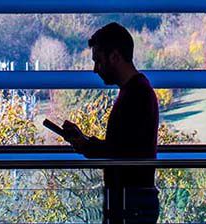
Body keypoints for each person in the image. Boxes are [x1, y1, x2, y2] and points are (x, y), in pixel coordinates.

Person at [60, 22, 160, 224]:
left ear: (115, 57)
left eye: (98, 60)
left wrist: (86, 145)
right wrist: (85, 142)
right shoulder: (136, 90)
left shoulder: (136, 94)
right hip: (132, 201)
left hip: (131, 202)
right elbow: (126, 145)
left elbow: (123, 150)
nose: (95, 69)